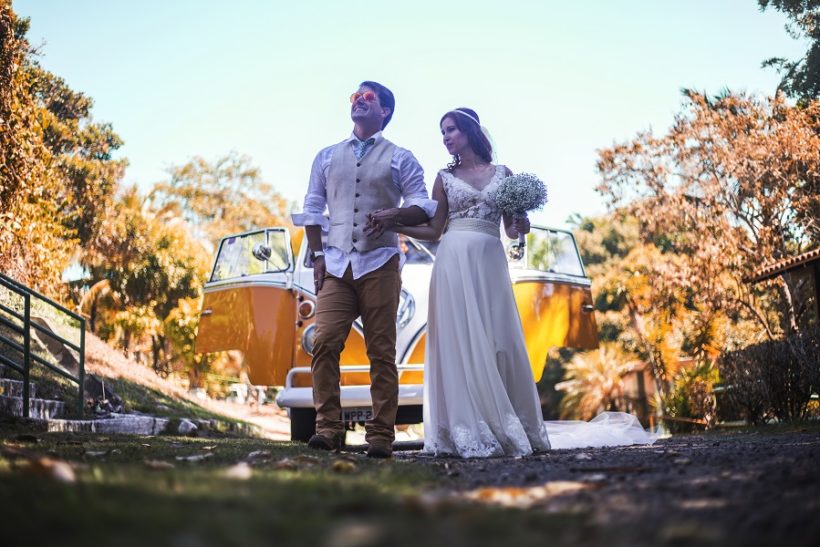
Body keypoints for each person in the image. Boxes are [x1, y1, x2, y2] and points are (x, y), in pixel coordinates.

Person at [368, 107, 656, 457]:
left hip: (490, 261)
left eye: (451, 130)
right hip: (452, 261)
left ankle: (508, 420)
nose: (445, 138)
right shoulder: (443, 178)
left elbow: (510, 228)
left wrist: (521, 226)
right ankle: (465, 427)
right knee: (460, 342)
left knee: (498, 339)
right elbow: (433, 229)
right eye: (442, 132)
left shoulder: (504, 174)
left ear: (470, 132)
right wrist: (393, 225)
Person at [291, 81, 437, 458]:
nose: (358, 101)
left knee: (381, 352)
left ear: (384, 111)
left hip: (380, 263)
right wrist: (319, 256)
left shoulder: (401, 158)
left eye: (367, 97)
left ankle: (380, 435)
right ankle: (327, 427)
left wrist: (394, 214)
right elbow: (312, 208)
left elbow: (423, 204)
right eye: (354, 96)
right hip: (337, 265)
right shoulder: (326, 156)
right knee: (324, 342)